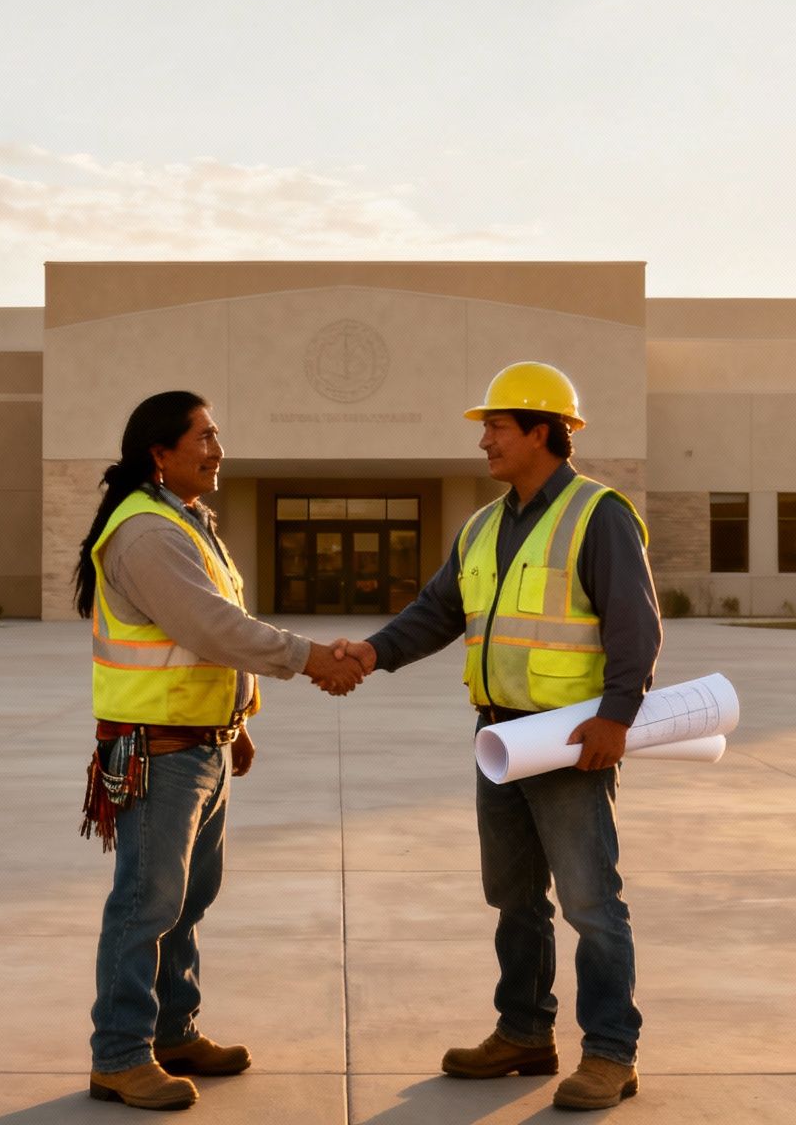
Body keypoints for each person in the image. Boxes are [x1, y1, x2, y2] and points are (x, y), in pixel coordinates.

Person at [334, 361, 660, 1111]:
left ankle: (611, 1052)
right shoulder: (484, 526)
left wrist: (616, 715)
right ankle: (523, 1033)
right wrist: (371, 653)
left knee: (590, 902)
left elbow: (635, 625)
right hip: (500, 740)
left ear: (543, 432)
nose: (484, 441)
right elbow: (437, 611)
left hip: (573, 740)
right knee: (514, 897)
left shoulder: (597, 513)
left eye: (498, 427)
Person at [76, 389, 366, 1111]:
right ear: (160, 453)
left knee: (188, 901)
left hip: (199, 747)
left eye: (217, 433)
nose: (216, 448)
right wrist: (310, 659)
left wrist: (239, 718)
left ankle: (173, 1032)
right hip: (157, 752)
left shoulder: (188, 521)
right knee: (146, 906)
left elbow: (214, 635)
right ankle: (118, 1054)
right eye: (202, 436)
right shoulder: (146, 533)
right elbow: (212, 627)